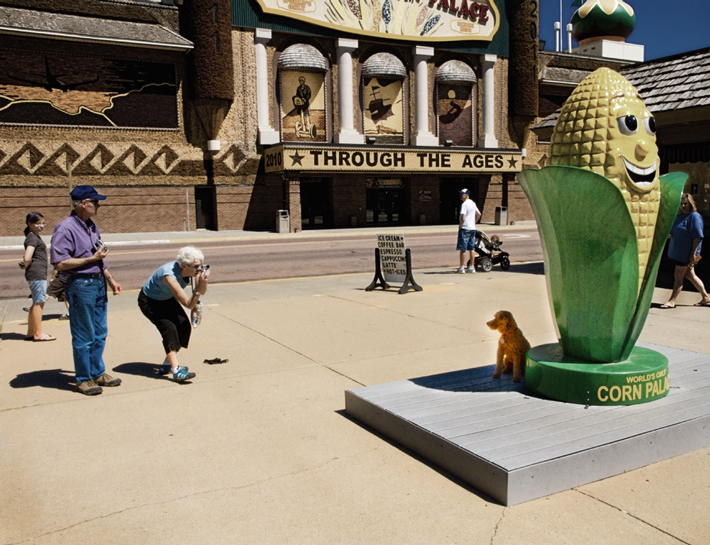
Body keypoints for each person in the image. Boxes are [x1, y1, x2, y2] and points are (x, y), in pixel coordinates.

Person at [50, 185, 123, 396]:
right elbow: (60, 263)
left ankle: (97, 372)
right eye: (96, 202)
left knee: (100, 332)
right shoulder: (64, 228)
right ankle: (83, 378)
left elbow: (98, 255)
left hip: (98, 283)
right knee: (84, 334)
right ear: (83, 203)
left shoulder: (91, 226)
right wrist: (92, 260)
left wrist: (110, 278)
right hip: (81, 285)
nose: (99, 205)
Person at [138, 246, 209, 383]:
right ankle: (176, 371)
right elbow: (188, 304)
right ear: (183, 265)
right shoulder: (169, 276)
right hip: (150, 302)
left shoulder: (193, 271)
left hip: (166, 299)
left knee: (184, 327)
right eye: (196, 267)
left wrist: (202, 281)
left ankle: (167, 364)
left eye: (201, 265)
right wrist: (200, 288)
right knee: (169, 329)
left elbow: (201, 291)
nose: (199, 269)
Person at [661, 193, 710, 308]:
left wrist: (693, 254)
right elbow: (675, 231)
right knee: (690, 275)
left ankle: (672, 300)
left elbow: (698, 236)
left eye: (686, 204)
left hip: (687, 253)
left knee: (678, 275)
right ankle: (706, 298)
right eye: (681, 204)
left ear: (691, 204)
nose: (683, 206)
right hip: (678, 251)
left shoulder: (694, 217)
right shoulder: (679, 216)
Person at [20, 212, 55, 341]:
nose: (41, 226)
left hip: (36, 273)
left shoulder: (33, 237)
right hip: (37, 273)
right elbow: (27, 256)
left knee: (37, 301)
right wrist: (26, 263)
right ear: (29, 224)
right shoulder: (32, 238)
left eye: (42, 223)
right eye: (38, 223)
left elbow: (27, 259)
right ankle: (39, 333)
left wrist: (25, 264)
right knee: (39, 302)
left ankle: (31, 332)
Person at [456, 188, 481, 273]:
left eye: (462, 194)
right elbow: (478, 214)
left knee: (463, 248)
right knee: (472, 248)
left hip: (465, 228)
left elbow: (463, 217)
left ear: (466, 195)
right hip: (472, 228)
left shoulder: (464, 204)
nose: (460, 196)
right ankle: (471, 267)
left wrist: (460, 226)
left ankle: (461, 267)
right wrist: (474, 223)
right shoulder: (473, 203)